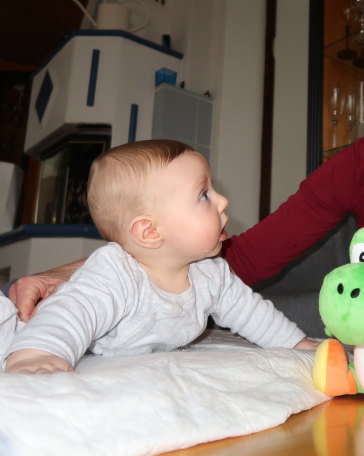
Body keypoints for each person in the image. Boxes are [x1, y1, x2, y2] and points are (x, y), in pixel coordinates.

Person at [6, 0, 364, 430]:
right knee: (218, 307)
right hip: (321, 267)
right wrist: (99, 267)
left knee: (292, 340)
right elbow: (243, 259)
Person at [2, 140, 316, 374]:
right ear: (150, 232)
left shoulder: (211, 273)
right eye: (203, 194)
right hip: (23, 328)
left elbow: (253, 313)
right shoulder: (115, 273)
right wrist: (37, 355)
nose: (223, 201)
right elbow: (69, 314)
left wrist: (298, 345)